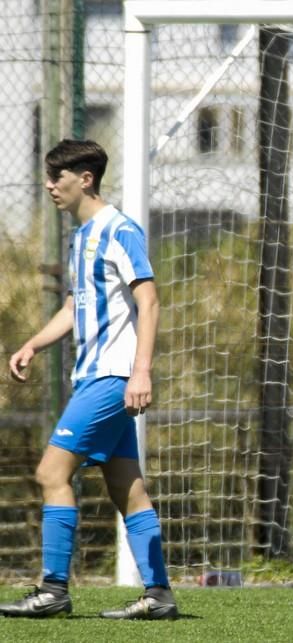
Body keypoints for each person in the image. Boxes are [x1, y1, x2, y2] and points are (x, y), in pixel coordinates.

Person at [0, 139, 177, 620]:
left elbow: (150, 301)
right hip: (97, 376)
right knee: (127, 488)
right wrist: (35, 343)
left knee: (51, 473)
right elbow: (76, 308)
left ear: (85, 179)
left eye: (57, 176)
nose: (49, 185)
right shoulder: (81, 237)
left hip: (112, 376)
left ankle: (53, 588)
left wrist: (141, 371)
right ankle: (158, 595)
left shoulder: (120, 229)